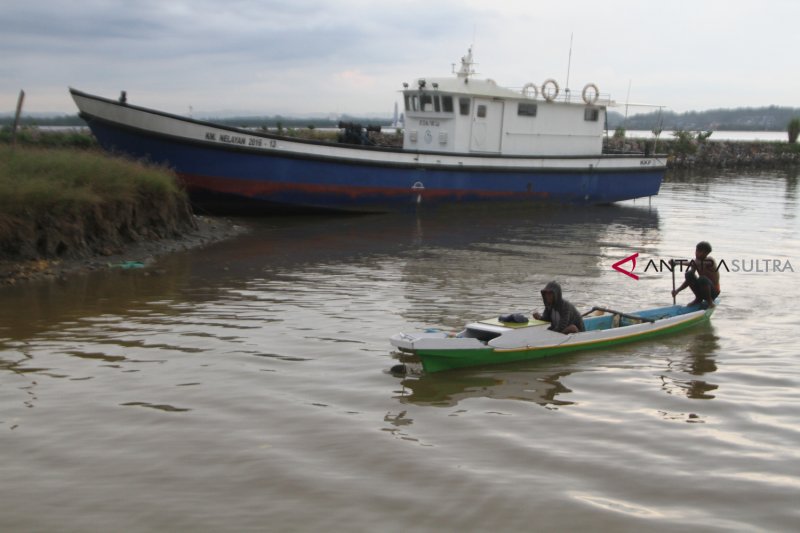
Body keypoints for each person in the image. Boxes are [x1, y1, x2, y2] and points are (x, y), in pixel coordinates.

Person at [672, 241, 720, 308]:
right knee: (689, 274)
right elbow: (689, 280)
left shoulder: (709, 260)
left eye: (702, 252)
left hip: (713, 292)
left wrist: (677, 263)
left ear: (707, 253)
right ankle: (698, 299)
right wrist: (677, 290)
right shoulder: (696, 261)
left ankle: (710, 302)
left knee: (702, 278)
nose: (698, 254)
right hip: (703, 289)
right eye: (697, 251)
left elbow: (694, 263)